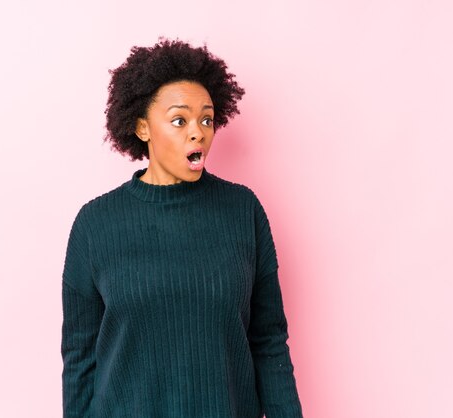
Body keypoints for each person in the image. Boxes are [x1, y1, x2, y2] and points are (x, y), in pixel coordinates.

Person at [61, 37, 303, 418]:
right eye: (179, 120)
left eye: (206, 119)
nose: (198, 132)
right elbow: (79, 358)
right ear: (142, 127)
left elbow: (269, 341)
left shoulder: (243, 211)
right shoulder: (95, 224)